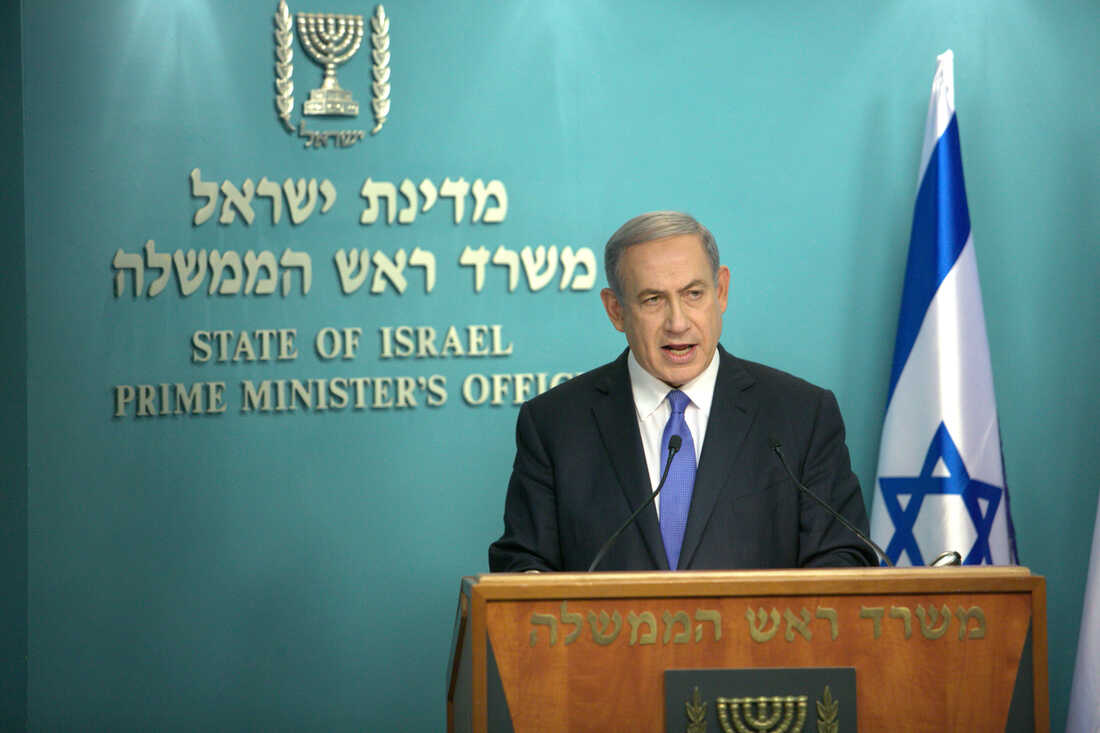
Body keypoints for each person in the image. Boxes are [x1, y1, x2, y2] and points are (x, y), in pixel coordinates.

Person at [488, 211, 875, 572]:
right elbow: (523, 563)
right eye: (653, 299)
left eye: (693, 294)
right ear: (616, 310)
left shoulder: (801, 415)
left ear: (721, 291)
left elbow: (844, 556)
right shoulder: (554, 424)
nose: (677, 323)